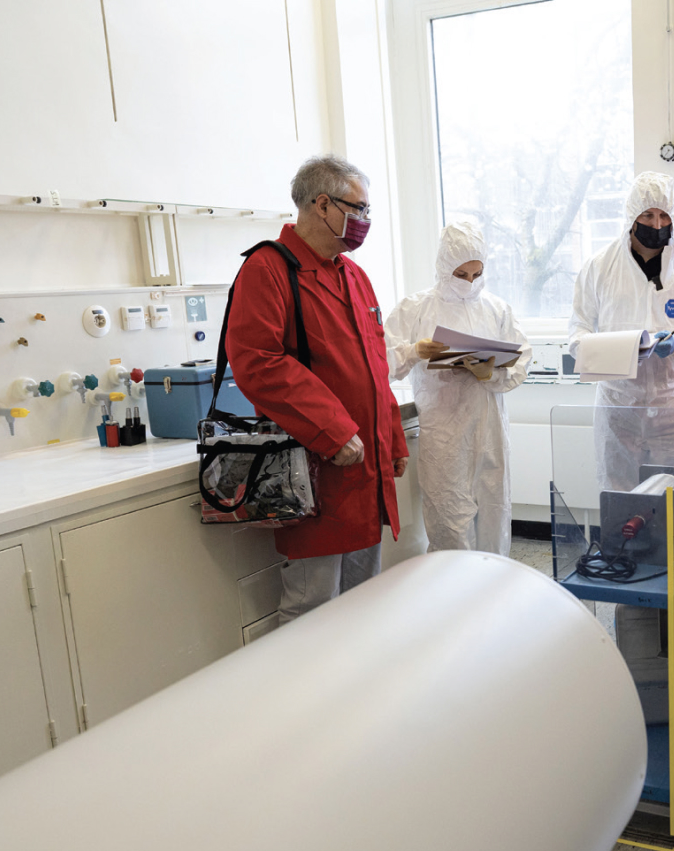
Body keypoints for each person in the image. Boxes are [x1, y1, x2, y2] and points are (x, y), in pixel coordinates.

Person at [226, 154, 409, 625]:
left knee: (364, 599)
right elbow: (257, 362)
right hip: (318, 468)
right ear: (323, 204)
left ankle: (357, 694)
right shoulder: (268, 269)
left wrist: (392, 434)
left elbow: (374, 365)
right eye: (359, 209)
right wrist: (331, 430)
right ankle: (302, 699)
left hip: (364, 467)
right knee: (313, 607)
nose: (365, 221)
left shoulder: (354, 276)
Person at [569, 171, 674, 492]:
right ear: (631, 215)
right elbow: (577, 337)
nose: (657, 225)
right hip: (618, 409)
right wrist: (626, 350)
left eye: (664, 215)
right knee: (620, 497)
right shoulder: (599, 267)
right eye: (648, 215)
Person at [384, 220, 532, 556]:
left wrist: (488, 371)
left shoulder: (497, 309)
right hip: (445, 435)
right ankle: (452, 599)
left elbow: (520, 361)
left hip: (490, 430)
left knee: (494, 512)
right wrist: (415, 351)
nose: (469, 283)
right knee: (450, 522)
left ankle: (492, 593)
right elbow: (381, 362)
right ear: (443, 267)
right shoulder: (415, 308)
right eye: (461, 275)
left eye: (476, 275)